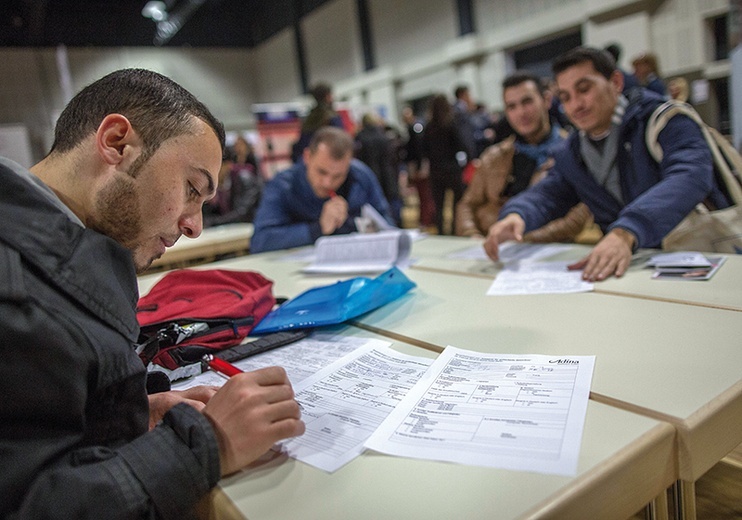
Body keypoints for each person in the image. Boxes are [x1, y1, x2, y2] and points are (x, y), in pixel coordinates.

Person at [0, 69, 305, 519]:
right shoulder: (16, 289)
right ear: (118, 143)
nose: (194, 226)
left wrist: (128, 413)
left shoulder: (63, 253)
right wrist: (208, 444)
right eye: (191, 189)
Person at [484, 46, 730, 281]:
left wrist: (627, 230)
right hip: (631, 268)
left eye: (584, 89)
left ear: (616, 82)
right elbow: (550, 193)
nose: (576, 105)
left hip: (694, 256)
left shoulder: (664, 120)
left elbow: (690, 175)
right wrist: (517, 215)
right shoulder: (572, 152)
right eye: (566, 97)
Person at [456, 71, 593, 242]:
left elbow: (576, 218)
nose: (520, 113)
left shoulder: (573, 152)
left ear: (546, 100)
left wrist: (520, 240)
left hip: (548, 249)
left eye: (527, 102)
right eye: (511, 106)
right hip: (494, 249)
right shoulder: (494, 156)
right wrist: (472, 236)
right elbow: (467, 204)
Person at [251, 126, 393, 253]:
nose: (328, 183)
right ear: (307, 157)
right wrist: (318, 228)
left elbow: (387, 223)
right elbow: (260, 241)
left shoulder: (361, 177)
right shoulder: (283, 185)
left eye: (338, 176)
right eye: (321, 172)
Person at [422, 94, 468, 235]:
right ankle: (455, 230)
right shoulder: (450, 124)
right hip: (452, 169)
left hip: (436, 171)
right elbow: (461, 145)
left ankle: (441, 232)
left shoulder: (428, 127)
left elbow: (424, 151)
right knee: (456, 203)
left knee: (439, 205)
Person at [203, 139, 263, 227]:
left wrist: (213, 222)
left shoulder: (245, 179)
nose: (212, 173)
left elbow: (242, 213)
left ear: (228, 165)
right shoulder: (214, 185)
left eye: (216, 168)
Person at [354, 113, 401, 224]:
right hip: (388, 175)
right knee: (392, 204)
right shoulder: (383, 136)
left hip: (370, 174)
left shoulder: (360, 138)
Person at [291, 82, 344, 162]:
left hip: (309, 160)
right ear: (327, 96)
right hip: (329, 160)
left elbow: (302, 144)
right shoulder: (331, 116)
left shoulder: (309, 117)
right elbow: (341, 140)